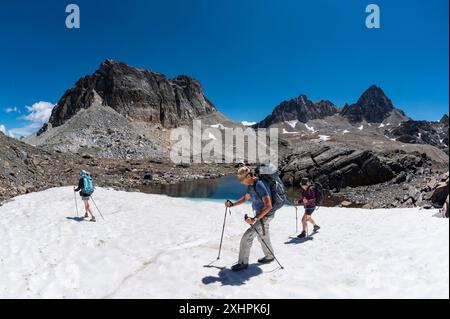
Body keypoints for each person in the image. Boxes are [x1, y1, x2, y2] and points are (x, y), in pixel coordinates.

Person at [225, 166, 276, 271]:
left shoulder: (259, 185)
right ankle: (270, 256)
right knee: (262, 235)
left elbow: (268, 206)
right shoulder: (251, 185)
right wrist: (232, 205)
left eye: (242, 179)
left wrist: (255, 219)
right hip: (261, 215)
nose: (241, 182)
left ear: (248, 176)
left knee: (247, 237)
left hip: (264, 215)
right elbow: (245, 198)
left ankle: (243, 263)